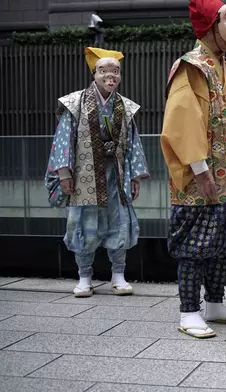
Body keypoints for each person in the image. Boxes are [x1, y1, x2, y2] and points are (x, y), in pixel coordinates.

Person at [160, 0, 226, 339]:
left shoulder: (225, 66)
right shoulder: (192, 66)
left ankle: (215, 304)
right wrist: (200, 170)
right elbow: (181, 121)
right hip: (201, 173)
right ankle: (189, 311)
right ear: (209, 26)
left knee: (223, 240)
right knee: (194, 243)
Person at [45, 47, 150, 298]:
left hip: (116, 175)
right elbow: (63, 138)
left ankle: (119, 275)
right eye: (104, 71)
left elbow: (133, 142)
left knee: (119, 222)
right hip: (84, 175)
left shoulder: (125, 107)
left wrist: (135, 176)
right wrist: (64, 173)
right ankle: (84, 277)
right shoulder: (75, 102)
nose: (110, 76)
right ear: (94, 74)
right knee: (83, 222)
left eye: (115, 71)